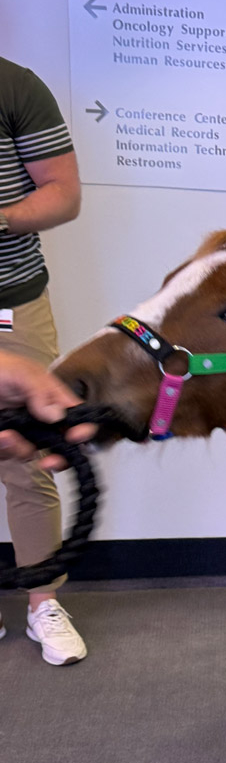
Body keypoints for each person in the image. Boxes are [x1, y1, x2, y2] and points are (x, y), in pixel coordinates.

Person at [0, 56, 87, 665]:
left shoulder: (14, 85)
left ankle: (42, 602)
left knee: (27, 453)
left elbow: (63, 193)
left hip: (14, 302)